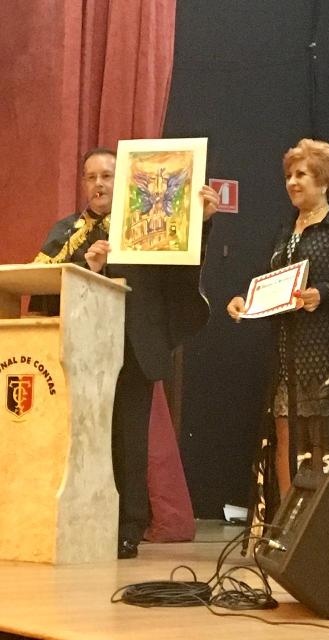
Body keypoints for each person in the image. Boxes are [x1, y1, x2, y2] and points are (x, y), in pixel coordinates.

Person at [32, 147, 219, 558]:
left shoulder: (150, 226)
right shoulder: (67, 231)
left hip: (135, 345)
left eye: (107, 176)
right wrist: (89, 267)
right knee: (81, 439)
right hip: (80, 351)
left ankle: (127, 527)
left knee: (129, 439)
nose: (99, 184)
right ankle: (78, 520)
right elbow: (43, 285)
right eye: (91, 177)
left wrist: (200, 224)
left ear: (126, 181)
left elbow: (182, 268)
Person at [227, 139, 329, 498]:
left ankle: (328, 524)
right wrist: (245, 302)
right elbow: (271, 283)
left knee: (327, 442)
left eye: (301, 175)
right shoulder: (286, 232)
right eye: (289, 176)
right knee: (285, 437)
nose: (292, 182)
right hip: (288, 354)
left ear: (323, 182)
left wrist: (324, 292)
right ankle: (287, 522)